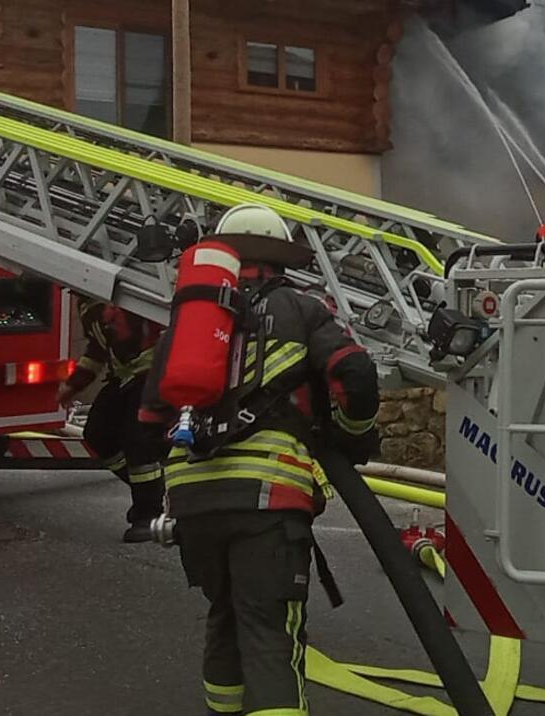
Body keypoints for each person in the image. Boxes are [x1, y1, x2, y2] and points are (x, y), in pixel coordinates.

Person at [145, 203, 381, 716]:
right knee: (269, 632)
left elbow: (147, 416)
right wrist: (353, 436)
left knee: (226, 616)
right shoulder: (301, 308)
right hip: (267, 499)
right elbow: (356, 376)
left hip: (190, 501)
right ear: (279, 259)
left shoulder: (188, 322)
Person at [58, 295, 165, 541]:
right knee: (97, 432)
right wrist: (73, 386)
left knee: (137, 440)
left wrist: (114, 315)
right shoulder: (90, 302)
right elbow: (97, 350)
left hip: (152, 372)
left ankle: (148, 515)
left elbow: (129, 339)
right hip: (126, 377)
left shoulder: (122, 296)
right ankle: (154, 490)